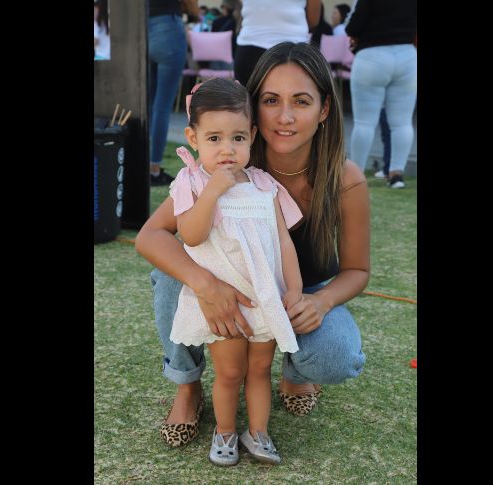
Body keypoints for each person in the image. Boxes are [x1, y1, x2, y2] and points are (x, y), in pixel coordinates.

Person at [135, 41, 369, 448]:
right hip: (229, 285)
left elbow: (357, 271)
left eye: (301, 101)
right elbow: (152, 236)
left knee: (336, 354)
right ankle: (187, 385)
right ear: (253, 106)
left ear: (325, 109)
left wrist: (322, 301)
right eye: (271, 100)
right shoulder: (228, 156)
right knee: (171, 274)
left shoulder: (344, 177)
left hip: (296, 292)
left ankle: (296, 374)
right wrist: (205, 284)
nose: (285, 116)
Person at [160, 78, 303, 464]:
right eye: (214, 139)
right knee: (229, 372)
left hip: (264, 297)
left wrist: (295, 287)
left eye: (238, 138)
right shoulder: (191, 183)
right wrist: (212, 192)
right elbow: (190, 234)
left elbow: (283, 241)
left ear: (252, 136)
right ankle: (224, 433)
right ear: (193, 137)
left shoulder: (263, 184)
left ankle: (258, 433)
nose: (227, 149)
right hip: (223, 303)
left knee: (259, 370)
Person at [346, 0, 416, 187]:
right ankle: (396, 175)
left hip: (371, 56)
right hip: (407, 55)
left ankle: (356, 174)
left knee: (364, 122)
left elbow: (353, 26)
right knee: (402, 122)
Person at [148, 0, 200, 186]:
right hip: (168, 27)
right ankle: (153, 170)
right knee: (162, 106)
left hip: (141, 28)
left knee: (146, 104)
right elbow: (192, 5)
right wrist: (196, 14)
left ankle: (138, 163)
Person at [233, 0, 321, 86]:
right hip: (293, 47)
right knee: (294, 98)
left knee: (246, 99)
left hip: (250, 47)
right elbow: (313, 20)